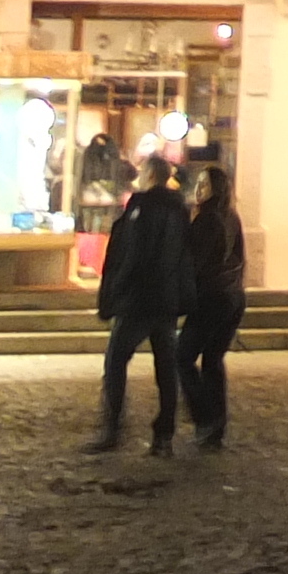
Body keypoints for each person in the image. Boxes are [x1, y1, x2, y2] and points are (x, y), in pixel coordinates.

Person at [88, 155, 193, 456]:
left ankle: (112, 428)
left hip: (139, 300)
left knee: (116, 361)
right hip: (166, 300)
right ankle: (164, 436)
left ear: (148, 175)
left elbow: (132, 255)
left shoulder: (143, 209)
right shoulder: (179, 211)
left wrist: (115, 292)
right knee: (166, 368)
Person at [178, 165, 247, 452]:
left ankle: (205, 418)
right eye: (199, 183)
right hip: (231, 297)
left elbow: (195, 263)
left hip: (212, 298)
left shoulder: (207, 220)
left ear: (216, 188)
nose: (198, 188)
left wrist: (183, 295)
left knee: (181, 357)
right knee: (213, 360)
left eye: (205, 184)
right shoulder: (231, 216)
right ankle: (214, 426)